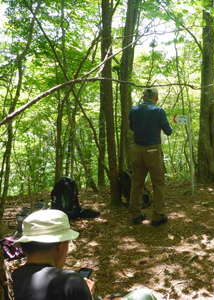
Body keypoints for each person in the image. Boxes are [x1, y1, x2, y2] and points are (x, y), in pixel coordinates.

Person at [12, 209, 158, 300]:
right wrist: (84, 291)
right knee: (143, 296)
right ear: (61, 246)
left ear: (25, 248)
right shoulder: (71, 282)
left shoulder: (14, 277)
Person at [129, 88, 173, 226]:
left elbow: (132, 127)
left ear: (144, 98)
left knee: (137, 182)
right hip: (152, 150)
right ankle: (158, 215)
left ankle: (135, 214)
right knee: (158, 183)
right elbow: (168, 131)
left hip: (136, 150)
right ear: (155, 98)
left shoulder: (134, 110)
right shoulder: (158, 111)